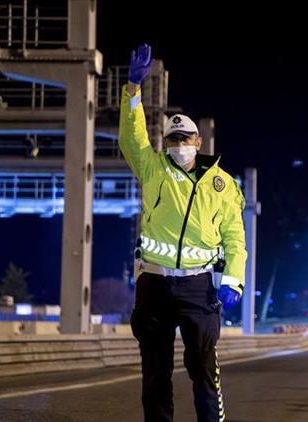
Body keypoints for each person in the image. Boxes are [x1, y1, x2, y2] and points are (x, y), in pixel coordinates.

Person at [121, 44, 247, 422]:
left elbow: (235, 239)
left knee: (203, 371)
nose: (178, 146)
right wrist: (132, 89)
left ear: (199, 143)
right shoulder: (152, 168)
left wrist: (235, 280)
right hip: (155, 285)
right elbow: (133, 137)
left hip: (198, 287)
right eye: (172, 140)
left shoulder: (222, 185)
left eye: (185, 139)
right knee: (155, 376)